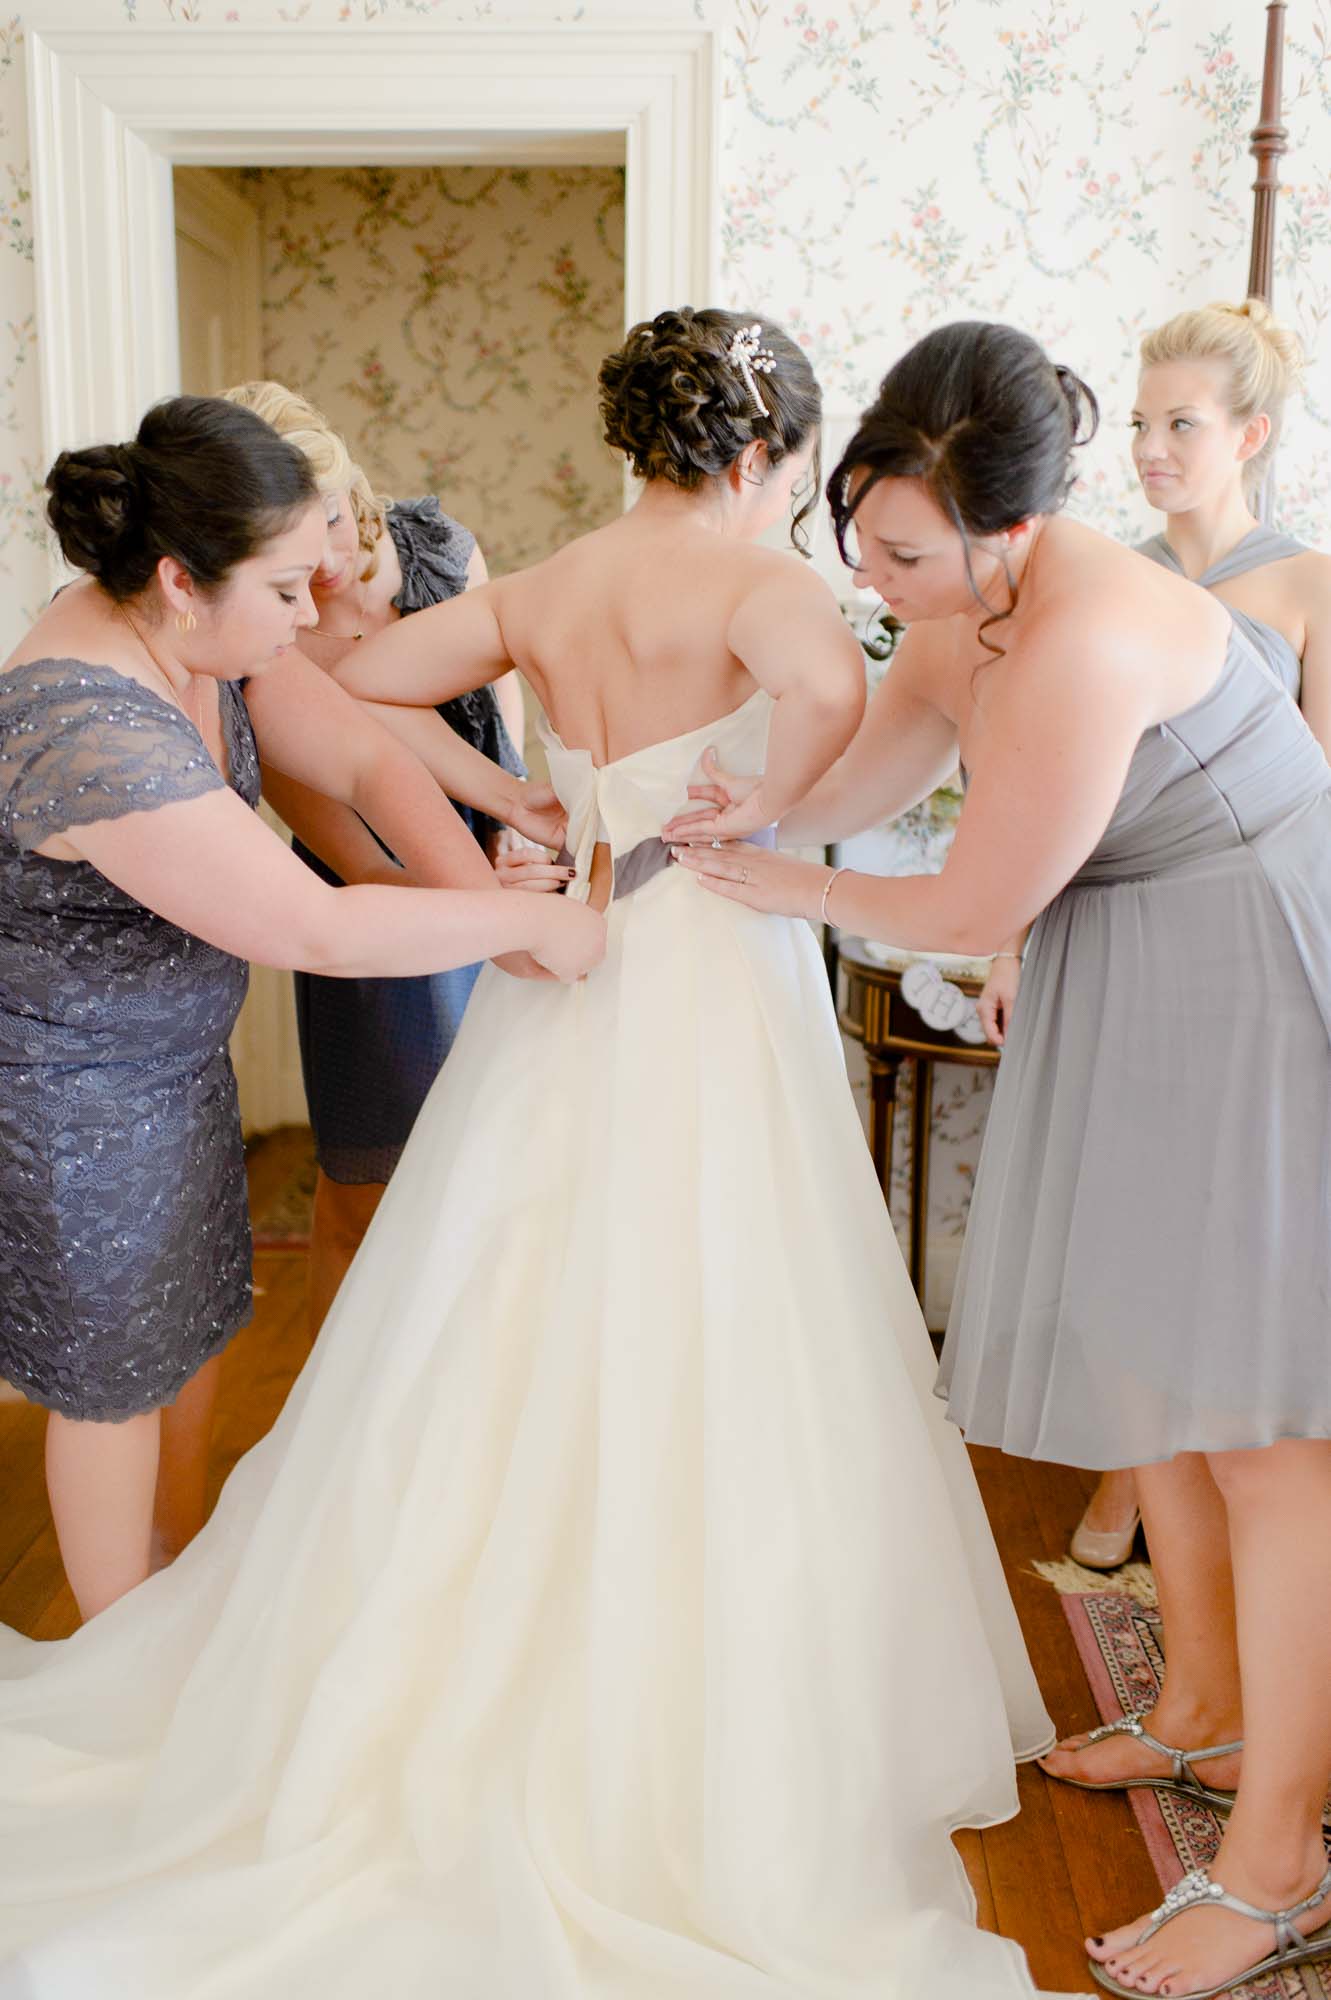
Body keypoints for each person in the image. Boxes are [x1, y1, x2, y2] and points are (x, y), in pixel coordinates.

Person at [0, 311, 1054, 2000]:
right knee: (730, 1288)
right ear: (758, 459)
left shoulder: (549, 584)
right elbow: (831, 691)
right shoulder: (763, 586)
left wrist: (539, 808)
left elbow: (367, 682)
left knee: (506, 1289)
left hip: (563, 972)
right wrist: (754, 807)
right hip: (715, 953)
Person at [665, 317, 1331, 2000]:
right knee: (1148, 1357)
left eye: (902, 551)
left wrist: (789, 891)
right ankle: (1197, 1710)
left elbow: (971, 907)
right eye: (863, 540)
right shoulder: (964, 615)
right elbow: (877, 764)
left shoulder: (1089, 635)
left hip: (1253, 962)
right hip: (1138, 955)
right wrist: (750, 817)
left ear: (1009, 527)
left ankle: (1274, 1866)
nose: (877, 576)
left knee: (1263, 1425)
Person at [0, 395, 602, 1622]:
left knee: (198, 1324)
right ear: (180, 577)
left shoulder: (204, 642)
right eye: (284, 589)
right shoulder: (85, 728)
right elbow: (311, 923)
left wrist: (481, 863)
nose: (309, 614)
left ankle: (168, 1573)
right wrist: (526, 922)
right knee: (112, 1382)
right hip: (72, 1103)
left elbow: (372, 757)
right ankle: (119, 1638)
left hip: (174, 1068)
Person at [1009, 297, 1329, 1570]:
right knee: (1129, 1218)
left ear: (1247, 434)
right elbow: (1058, 790)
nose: (1147, 447)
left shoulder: (1307, 582)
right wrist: (1008, 940)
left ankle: (1224, 1483)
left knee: (1230, 1224)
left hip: (1256, 949)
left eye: (1178, 423)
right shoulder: (1112, 578)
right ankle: (1133, 1467)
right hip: (1119, 935)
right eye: (1138, 422)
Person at [224, 382, 570, 1336]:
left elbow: (503, 735)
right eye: (291, 539)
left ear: (352, 487)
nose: (326, 559)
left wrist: (510, 836)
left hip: (505, 870)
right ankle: (334, 1422)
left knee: (507, 1178)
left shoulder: (439, 550)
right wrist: (472, 896)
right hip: (379, 915)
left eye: (332, 519)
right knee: (372, 1188)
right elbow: (354, 860)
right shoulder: (260, 633)